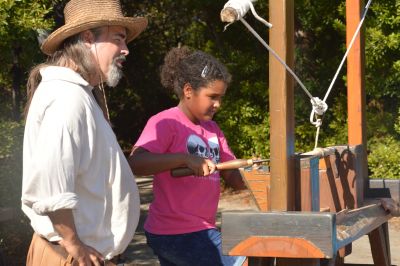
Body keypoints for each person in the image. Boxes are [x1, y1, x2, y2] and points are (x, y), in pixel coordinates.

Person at [21, 0, 147, 265]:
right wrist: (75, 245)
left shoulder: (77, 94)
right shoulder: (67, 97)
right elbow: (51, 186)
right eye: (118, 38)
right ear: (88, 38)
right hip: (72, 256)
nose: (125, 50)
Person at [129, 46, 247, 266]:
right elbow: (136, 163)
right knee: (242, 262)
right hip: (174, 232)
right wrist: (185, 158)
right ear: (188, 90)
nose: (217, 104)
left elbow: (233, 176)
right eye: (212, 97)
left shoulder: (213, 129)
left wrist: (262, 176)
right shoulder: (166, 122)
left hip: (201, 228)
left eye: (220, 98)